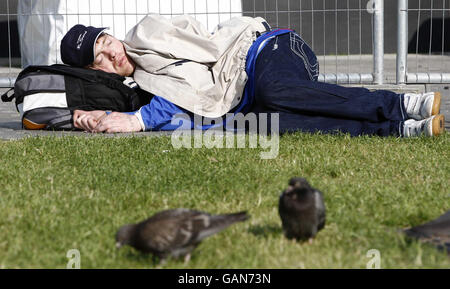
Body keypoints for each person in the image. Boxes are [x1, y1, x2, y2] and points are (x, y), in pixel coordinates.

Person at [60, 14, 445, 137]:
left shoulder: (146, 36)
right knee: (271, 124)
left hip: (268, 50)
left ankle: (401, 102)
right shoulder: (142, 84)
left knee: (275, 92)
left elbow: (193, 84)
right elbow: (193, 116)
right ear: (96, 72)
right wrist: (90, 117)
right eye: (100, 58)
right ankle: (398, 128)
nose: (112, 52)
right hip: (244, 93)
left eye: (105, 40)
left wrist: (139, 120)